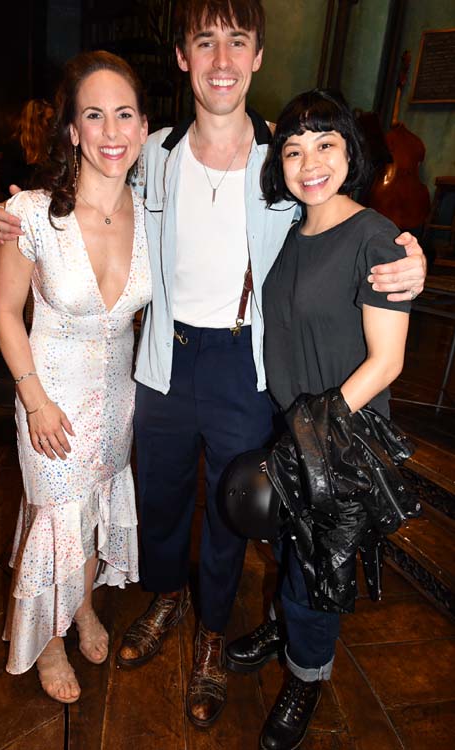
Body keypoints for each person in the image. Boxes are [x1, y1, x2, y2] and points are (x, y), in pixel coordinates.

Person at [0, 0, 426, 729]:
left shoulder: (283, 163)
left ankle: (213, 636)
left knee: (231, 511)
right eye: (205, 42)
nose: (221, 59)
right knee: (158, 501)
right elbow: (78, 199)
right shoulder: (149, 154)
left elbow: (342, 220)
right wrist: (16, 217)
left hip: (242, 363)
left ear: (255, 57)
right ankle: (165, 598)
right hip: (162, 359)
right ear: (185, 60)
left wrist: (409, 255)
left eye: (238, 42)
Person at [230, 88, 412, 750]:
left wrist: (312, 433)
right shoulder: (293, 229)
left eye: (326, 144)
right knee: (289, 547)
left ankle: (308, 672)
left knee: (318, 567)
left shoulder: (376, 237)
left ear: (350, 152)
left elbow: (388, 361)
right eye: (295, 148)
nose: (310, 162)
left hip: (339, 437)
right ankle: (284, 624)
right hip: (292, 426)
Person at [0, 50, 150, 704]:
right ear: (73, 131)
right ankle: (49, 641)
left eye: (124, 115)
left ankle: (82, 606)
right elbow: (3, 309)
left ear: (143, 128)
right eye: (94, 116)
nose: (111, 132)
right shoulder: (30, 214)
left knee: (95, 514)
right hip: (49, 400)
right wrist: (34, 401)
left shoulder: (154, 216)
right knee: (55, 520)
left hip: (118, 401)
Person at [0, 98, 54, 198]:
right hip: (21, 203)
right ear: (37, 121)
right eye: (48, 120)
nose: (52, 125)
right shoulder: (14, 145)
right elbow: (5, 182)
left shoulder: (50, 145)